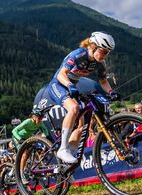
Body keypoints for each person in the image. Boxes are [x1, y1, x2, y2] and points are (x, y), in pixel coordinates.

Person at [48, 32, 119, 163]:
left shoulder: (99, 63)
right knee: (74, 108)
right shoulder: (79, 54)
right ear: (93, 46)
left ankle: (67, 163)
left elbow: (103, 81)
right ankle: (62, 149)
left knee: (83, 126)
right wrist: (70, 85)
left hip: (72, 88)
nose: (105, 55)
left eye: (108, 53)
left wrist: (111, 92)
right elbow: (61, 74)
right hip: (58, 85)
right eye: (103, 51)